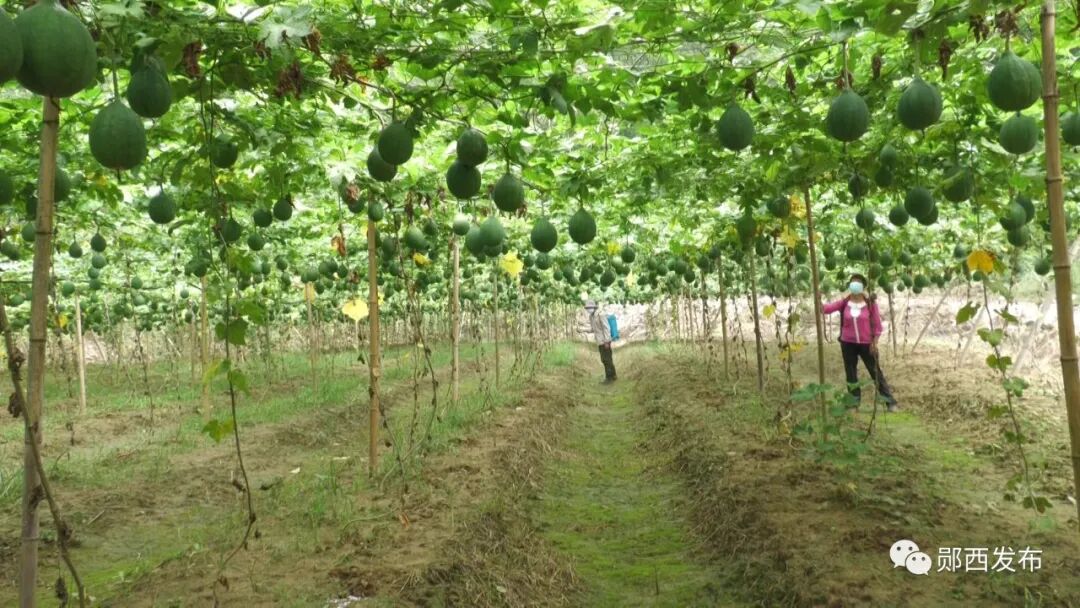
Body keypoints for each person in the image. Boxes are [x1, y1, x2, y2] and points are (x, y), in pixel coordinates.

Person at [821, 273, 898, 412]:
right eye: (852, 282)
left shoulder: (870, 304)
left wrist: (874, 342)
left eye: (857, 282)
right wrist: (818, 299)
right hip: (847, 343)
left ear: (863, 286)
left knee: (875, 372)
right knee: (851, 374)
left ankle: (890, 402)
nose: (854, 284)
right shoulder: (844, 303)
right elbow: (826, 309)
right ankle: (853, 403)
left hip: (866, 344)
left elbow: (877, 325)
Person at [584, 300, 617, 383]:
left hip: (604, 341)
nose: (588, 309)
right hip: (599, 341)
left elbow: (606, 328)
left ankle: (609, 377)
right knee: (605, 359)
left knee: (606, 359)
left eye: (589, 308)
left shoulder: (601, 315)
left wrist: (607, 341)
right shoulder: (591, 317)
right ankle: (613, 375)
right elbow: (593, 329)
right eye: (587, 308)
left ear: (594, 307)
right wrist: (583, 330)